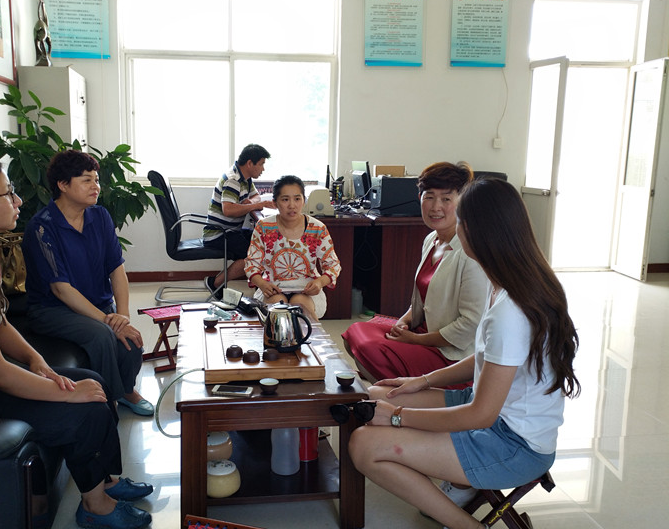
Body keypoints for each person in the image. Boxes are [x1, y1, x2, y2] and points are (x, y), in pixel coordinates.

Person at [0, 153, 153, 529]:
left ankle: (107, 482)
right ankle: (96, 507)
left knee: (94, 381)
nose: (18, 201)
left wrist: (37, 361)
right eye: (8, 194)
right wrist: (65, 393)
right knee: (85, 405)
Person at [347, 178, 580, 529]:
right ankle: (460, 485)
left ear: (474, 230)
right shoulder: (509, 282)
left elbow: (480, 415)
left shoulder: (510, 310)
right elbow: (488, 357)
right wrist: (422, 381)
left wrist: (398, 418)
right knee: (377, 394)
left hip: (514, 444)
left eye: (459, 218)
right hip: (494, 416)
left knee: (364, 445)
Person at [23, 149, 154, 417]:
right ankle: (106, 404)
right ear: (63, 184)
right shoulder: (42, 227)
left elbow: (117, 268)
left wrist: (123, 316)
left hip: (97, 302)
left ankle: (126, 391)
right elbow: (60, 289)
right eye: (86, 180)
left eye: (96, 180)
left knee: (130, 338)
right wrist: (107, 321)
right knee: (102, 335)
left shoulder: (100, 216)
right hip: (53, 309)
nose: (96, 186)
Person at [342, 162, 487, 383]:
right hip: (421, 333)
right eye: (429, 197)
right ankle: (397, 389)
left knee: (370, 348)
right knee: (356, 333)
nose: (435, 207)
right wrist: (403, 322)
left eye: (446, 199)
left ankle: (402, 393)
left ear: (462, 202)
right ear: (419, 198)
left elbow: (471, 324)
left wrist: (416, 340)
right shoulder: (431, 239)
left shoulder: (470, 251)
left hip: (451, 354)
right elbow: (422, 301)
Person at [244, 175, 341, 319]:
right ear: (275, 203)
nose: (292, 205)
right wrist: (262, 284)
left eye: (297, 199)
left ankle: (312, 334)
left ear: (304, 201)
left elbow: (333, 265)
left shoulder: (318, 228)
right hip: (273, 288)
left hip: (306, 290)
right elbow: (252, 265)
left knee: (300, 304)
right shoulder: (264, 227)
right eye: (285, 199)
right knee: (277, 307)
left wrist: (320, 282)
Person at [202, 143, 276, 296]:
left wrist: (252, 202)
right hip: (219, 234)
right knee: (254, 254)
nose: (263, 169)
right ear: (250, 163)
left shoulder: (245, 178)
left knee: (261, 244)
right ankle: (215, 283)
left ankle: (263, 286)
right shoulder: (233, 180)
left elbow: (256, 196)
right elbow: (228, 210)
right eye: (261, 164)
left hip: (231, 231)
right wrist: (256, 205)